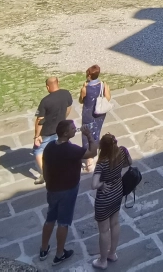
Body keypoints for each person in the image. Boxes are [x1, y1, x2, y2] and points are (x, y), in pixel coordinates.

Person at [38, 120, 96, 265]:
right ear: (65, 133)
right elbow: (93, 152)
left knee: (50, 218)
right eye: (72, 128)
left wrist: (48, 183)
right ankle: (59, 254)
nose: (75, 129)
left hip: (52, 189)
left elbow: (45, 167)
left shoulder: (50, 146)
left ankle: (43, 249)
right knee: (63, 222)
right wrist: (89, 135)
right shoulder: (71, 150)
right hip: (68, 190)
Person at [90, 132, 132, 269]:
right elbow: (130, 162)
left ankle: (102, 261)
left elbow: (94, 184)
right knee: (115, 223)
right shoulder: (122, 152)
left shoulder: (102, 163)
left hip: (104, 199)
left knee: (103, 231)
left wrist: (102, 184)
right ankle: (112, 253)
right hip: (118, 193)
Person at [33, 76, 73, 185]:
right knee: (61, 147)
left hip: (47, 132)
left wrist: (37, 136)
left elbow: (40, 120)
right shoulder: (66, 93)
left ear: (47, 87)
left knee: (38, 150)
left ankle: (45, 174)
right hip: (60, 129)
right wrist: (63, 118)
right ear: (58, 82)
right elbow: (68, 108)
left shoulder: (45, 101)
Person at [80, 65, 111, 173]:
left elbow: (81, 100)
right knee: (96, 133)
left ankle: (89, 161)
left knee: (86, 136)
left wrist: (83, 89)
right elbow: (108, 98)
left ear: (89, 75)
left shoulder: (85, 88)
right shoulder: (103, 85)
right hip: (100, 114)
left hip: (88, 114)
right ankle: (95, 154)